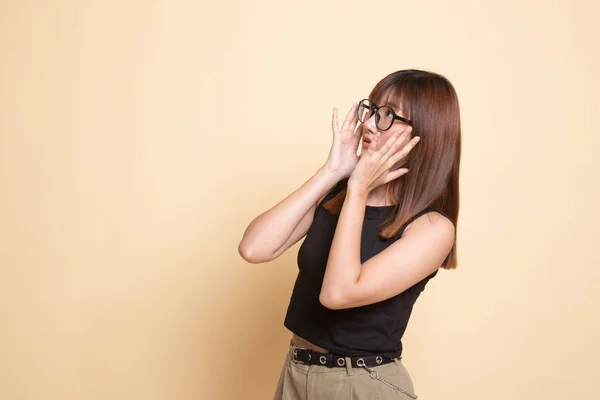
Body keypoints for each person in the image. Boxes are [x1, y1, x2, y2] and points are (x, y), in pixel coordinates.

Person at [238, 69, 461, 399]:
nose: (369, 124)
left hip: (362, 384)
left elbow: (338, 293)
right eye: (371, 109)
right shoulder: (339, 194)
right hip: (296, 374)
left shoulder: (432, 228)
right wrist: (332, 172)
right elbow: (254, 248)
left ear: (424, 134)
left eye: (388, 115)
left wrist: (358, 186)